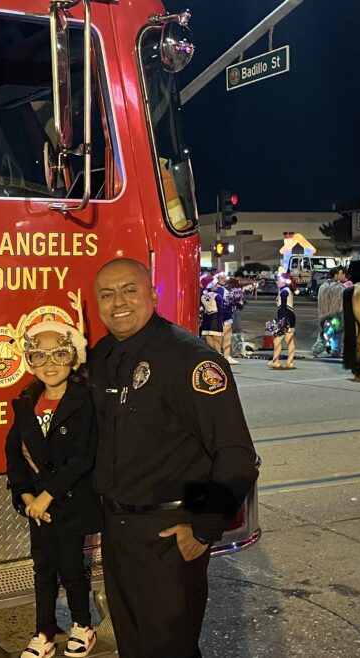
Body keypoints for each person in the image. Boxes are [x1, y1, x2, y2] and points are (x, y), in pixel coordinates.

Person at [90, 258, 258, 658]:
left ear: (152, 294)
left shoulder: (189, 360)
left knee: (169, 650)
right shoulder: (102, 355)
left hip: (168, 535)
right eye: (107, 294)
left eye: (129, 290)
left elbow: (236, 455)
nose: (119, 302)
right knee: (132, 646)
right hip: (119, 531)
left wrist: (203, 528)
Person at [5, 322, 100, 658]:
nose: (50, 363)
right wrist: (27, 496)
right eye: (39, 356)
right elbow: (14, 453)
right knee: (43, 568)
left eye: (59, 354)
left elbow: (83, 457)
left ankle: (82, 625)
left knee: (72, 567)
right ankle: (43, 631)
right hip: (38, 507)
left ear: (72, 359)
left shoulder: (83, 401)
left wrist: (48, 495)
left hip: (69, 502)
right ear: (30, 362)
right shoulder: (26, 403)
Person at [270, 274, 296, 369]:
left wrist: (282, 322)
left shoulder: (284, 292)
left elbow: (283, 308)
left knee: (278, 340)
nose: (277, 282)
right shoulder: (284, 290)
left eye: (278, 280)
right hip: (287, 318)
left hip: (286, 318)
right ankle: (288, 362)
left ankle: (276, 361)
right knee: (288, 340)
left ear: (284, 281)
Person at [198, 275, 223, 354]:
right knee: (217, 340)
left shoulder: (202, 296)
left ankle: (212, 355)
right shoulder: (217, 296)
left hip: (206, 318)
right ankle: (218, 356)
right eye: (215, 284)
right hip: (215, 319)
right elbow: (221, 309)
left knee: (209, 341)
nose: (217, 286)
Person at [227, 278, 248, 359]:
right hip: (236, 311)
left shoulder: (232, 290)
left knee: (234, 330)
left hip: (234, 311)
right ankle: (236, 350)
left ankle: (234, 350)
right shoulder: (238, 290)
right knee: (237, 330)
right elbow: (243, 301)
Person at [216, 274, 234, 360]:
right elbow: (220, 303)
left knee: (226, 336)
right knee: (224, 336)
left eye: (224, 277)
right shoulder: (219, 289)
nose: (223, 279)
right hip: (224, 316)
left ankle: (226, 355)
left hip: (225, 315)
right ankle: (225, 356)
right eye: (221, 278)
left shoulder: (224, 288)